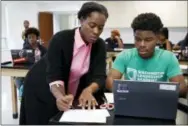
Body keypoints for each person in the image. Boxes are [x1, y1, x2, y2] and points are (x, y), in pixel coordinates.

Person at [46, 1, 108, 113]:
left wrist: (88, 90)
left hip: (75, 95)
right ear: (81, 20)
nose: (96, 32)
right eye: (92, 25)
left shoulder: (100, 45)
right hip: (49, 90)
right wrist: (60, 96)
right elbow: (55, 75)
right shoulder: (60, 39)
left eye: (101, 28)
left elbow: (100, 76)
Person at [106, 13, 187, 97]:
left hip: (157, 102)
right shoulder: (125, 55)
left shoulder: (168, 58)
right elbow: (110, 82)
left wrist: (156, 94)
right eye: (137, 39)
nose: (142, 44)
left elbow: (182, 88)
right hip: (131, 101)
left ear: (157, 38)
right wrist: (128, 93)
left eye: (148, 40)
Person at [15, 27, 47, 100]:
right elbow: (21, 60)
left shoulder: (42, 49)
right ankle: (22, 94)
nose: (31, 39)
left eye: (33, 37)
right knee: (18, 79)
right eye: (29, 37)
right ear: (27, 39)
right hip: (28, 70)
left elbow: (48, 59)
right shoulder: (24, 50)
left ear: (37, 37)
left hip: (40, 70)